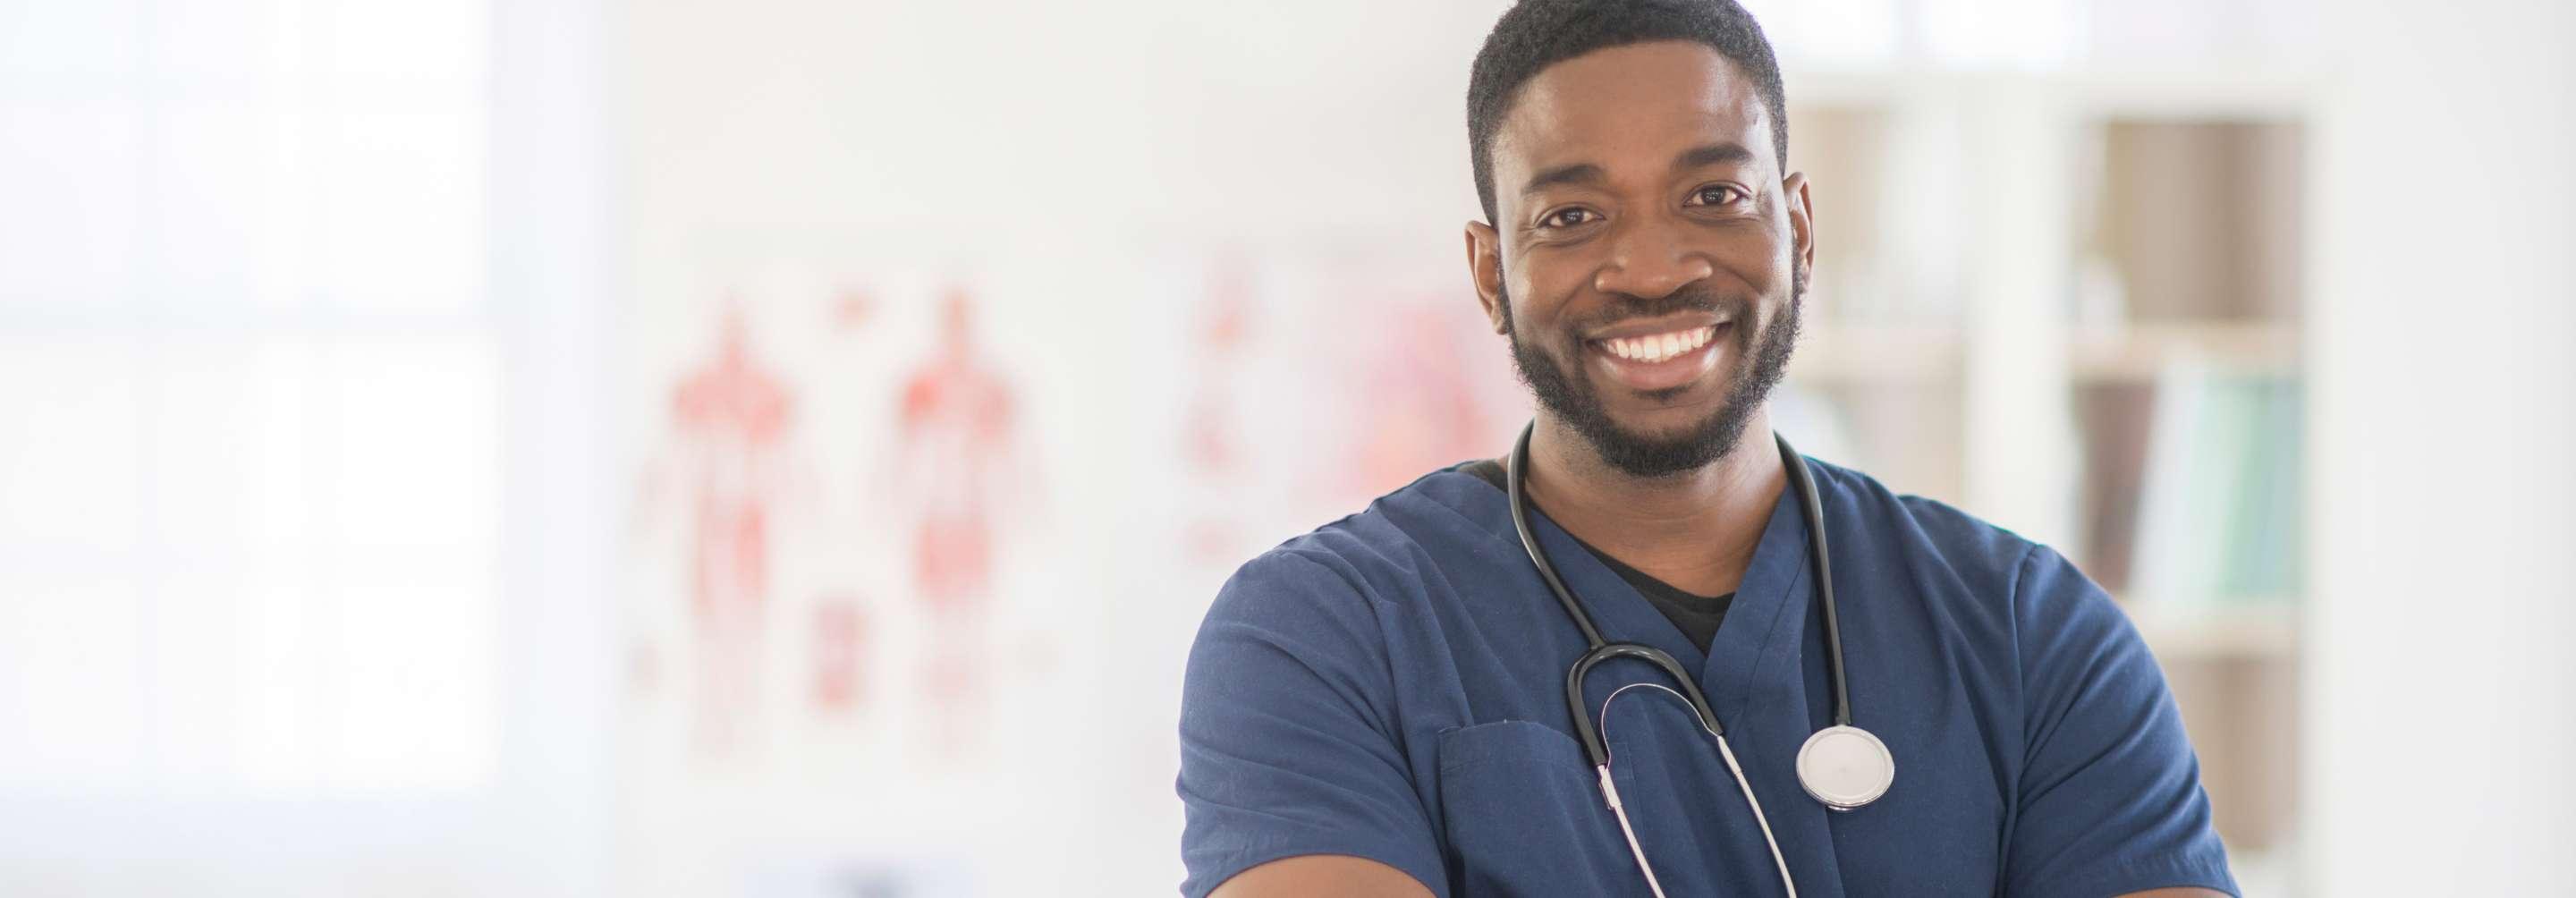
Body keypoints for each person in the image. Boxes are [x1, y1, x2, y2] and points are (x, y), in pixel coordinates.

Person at [1174, 2, 2238, 895]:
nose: (1648, 266)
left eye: (1714, 194)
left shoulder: (2030, 634)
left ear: (1799, 227)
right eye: (1573, 215)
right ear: (1492, 274)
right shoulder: (1326, 636)